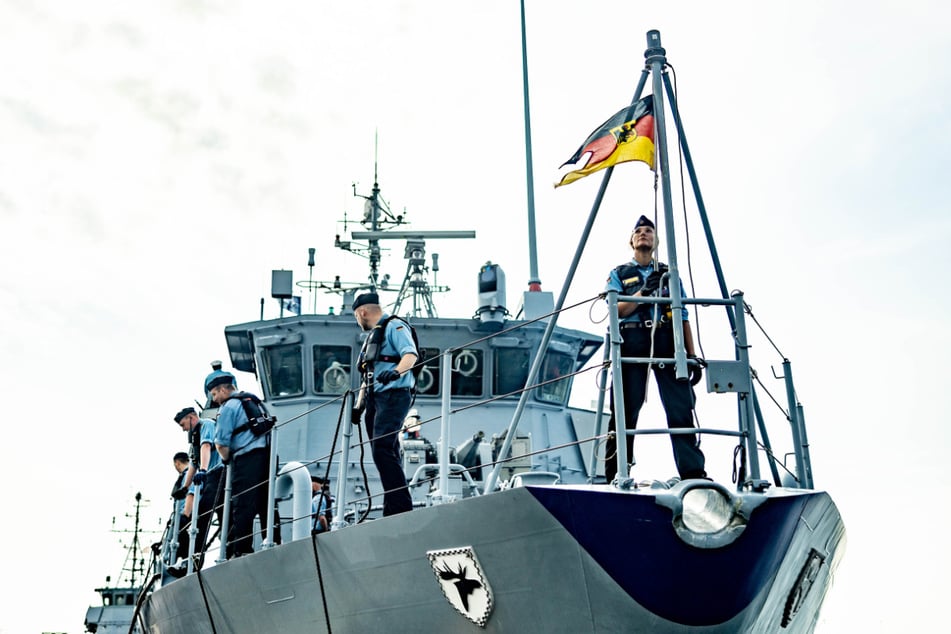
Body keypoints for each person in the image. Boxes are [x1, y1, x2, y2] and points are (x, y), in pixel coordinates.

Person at [603, 215, 707, 483]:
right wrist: (644, 293)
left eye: (648, 230)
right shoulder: (619, 274)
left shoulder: (669, 275)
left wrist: (691, 354)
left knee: (680, 407)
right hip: (632, 339)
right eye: (638, 231)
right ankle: (616, 473)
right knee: (625, 408)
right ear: (631, 241)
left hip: (665, 338)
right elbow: (616, 310)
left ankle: (693, 473)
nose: (643, 234)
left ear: (656, 240)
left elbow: (681, 313)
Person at [352, 291, 417, 516]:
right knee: (384, 450)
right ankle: (393, 505)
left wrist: (396, 373)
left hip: (393, 395)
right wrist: (358, 407)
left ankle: (400, 507)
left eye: (356, 317)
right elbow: (367, 375)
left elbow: (410, 355)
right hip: (374, 400)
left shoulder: (394, 326)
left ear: (362, 312)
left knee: (383, 448)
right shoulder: (372, 337)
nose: (357, 321)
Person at [210, 371, 281, 558]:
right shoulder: (254, 400)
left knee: (242, 504)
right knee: (267, 502)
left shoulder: (228, 407)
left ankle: (241, 549)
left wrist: (226, 460)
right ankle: (274, 541)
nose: (215, 399)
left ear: (223, 389)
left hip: (247, 459)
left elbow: (221, 444)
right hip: (269, 456)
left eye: (215, 394)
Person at [173, 406, 224, 559]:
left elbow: (207, 446)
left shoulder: (206, 424)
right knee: (205, 516)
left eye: (183, 425)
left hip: (218, 473)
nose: (183, 429)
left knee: (205, 516)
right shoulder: (195, 437)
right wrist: (185, 487)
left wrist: (203, 470)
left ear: (191, 417)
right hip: (210, 476)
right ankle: (191, 558)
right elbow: (194, 463)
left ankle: (195, 558)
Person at [169, 451, 192, 564]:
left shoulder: (188, 475)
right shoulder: (187, 474)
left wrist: (184, 514)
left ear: (177, 463)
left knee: (183, 545)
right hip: (184, 514)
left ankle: (181, 563)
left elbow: (189, 493)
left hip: (185, 515)